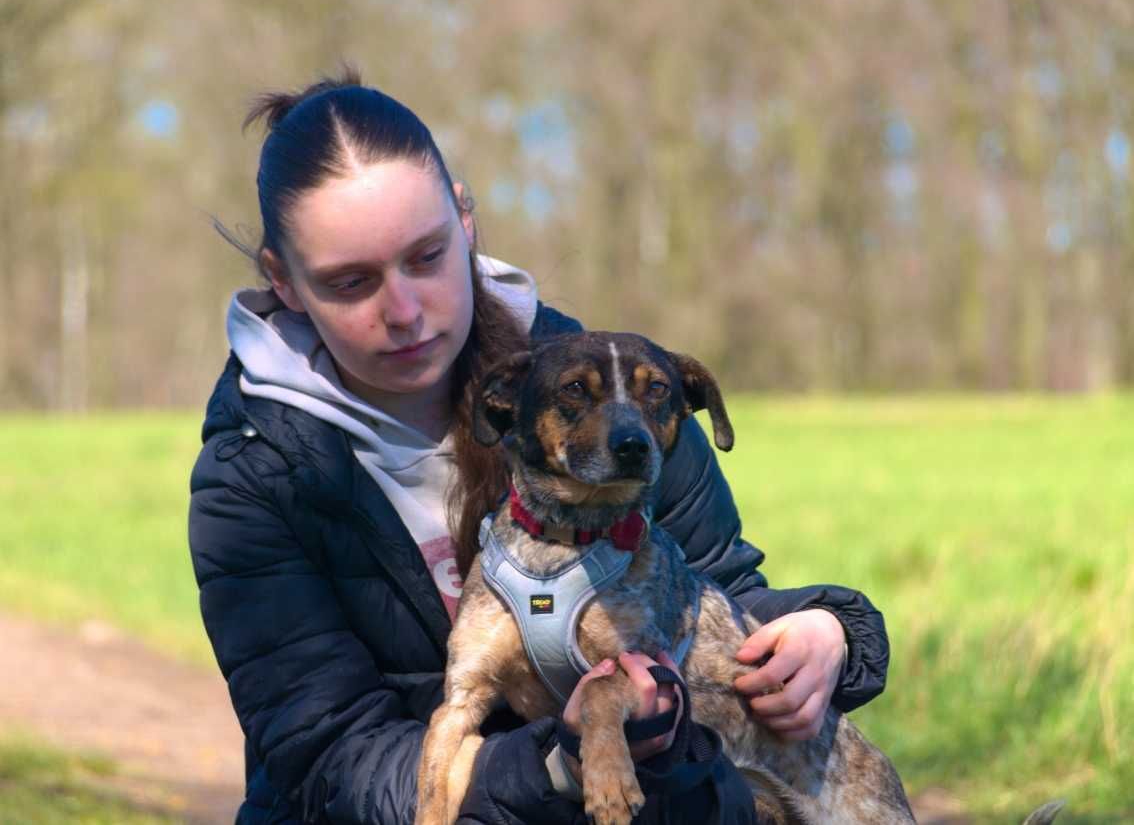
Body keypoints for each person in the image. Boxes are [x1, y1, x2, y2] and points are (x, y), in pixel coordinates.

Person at [188, 68, 890, 825]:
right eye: (351, 282)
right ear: (283, 282)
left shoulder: (603, 392)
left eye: (426, 257)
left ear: (465, 221)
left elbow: (711, 600)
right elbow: (333, 758)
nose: (404, 310)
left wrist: (830, 633)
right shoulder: (254, 477)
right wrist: (554, 761)